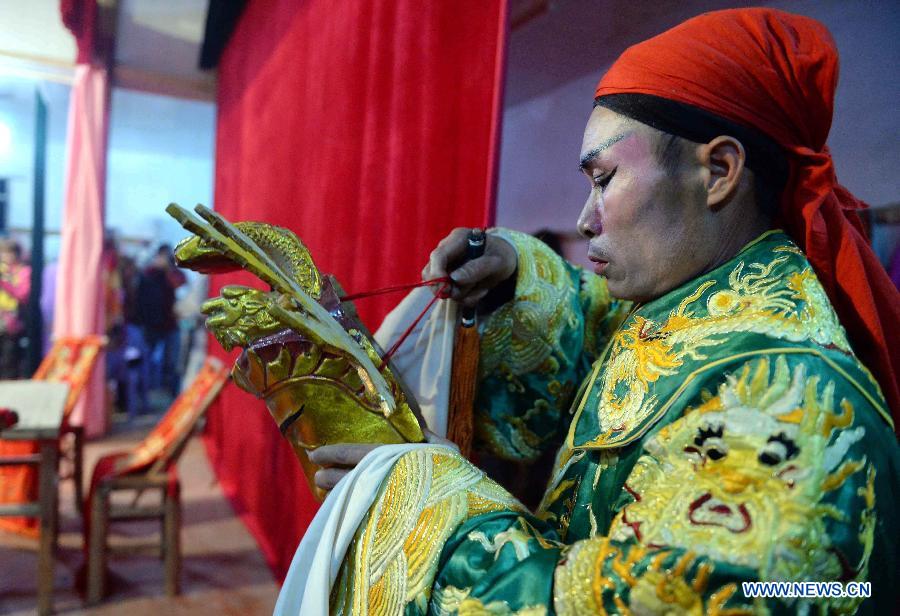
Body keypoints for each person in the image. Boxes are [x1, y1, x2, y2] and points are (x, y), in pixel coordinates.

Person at [283, 8, 900, 614]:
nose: (584, 219)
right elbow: (598, 326)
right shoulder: (695, 306)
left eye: (604, 179)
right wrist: (509, 278)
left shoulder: (796, 402)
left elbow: (698, 599)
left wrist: (424, 506)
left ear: (718, 172)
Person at [134, 245, 186, 398]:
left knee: (172, 363)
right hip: (151, 326)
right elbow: (140, 299)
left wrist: (170, 269)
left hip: (170, 325)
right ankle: (147, 394)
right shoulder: (148, 274)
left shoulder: (174, 274)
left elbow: (181, 286)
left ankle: (169, 393)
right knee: (148, 361)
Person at [0, 239, 30, 379]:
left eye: (7, 253)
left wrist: (4, 284)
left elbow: (22, 295)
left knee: (9, 358)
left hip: (13, 322)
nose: (5, 256)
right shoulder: (3, 270)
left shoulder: (24, 272)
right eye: (3, 253)